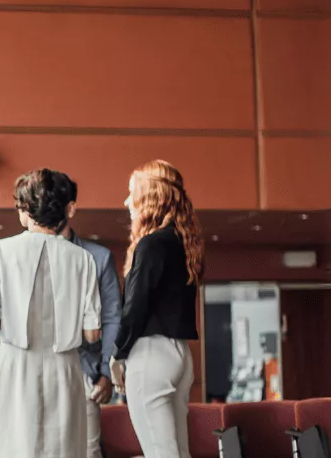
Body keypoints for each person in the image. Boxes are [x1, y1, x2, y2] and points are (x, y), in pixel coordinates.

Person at [0, 169, 102, 458]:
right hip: (64, 367)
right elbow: (92, 333)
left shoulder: (1, 251)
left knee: (14, 446)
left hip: (15, 365)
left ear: (26, 209)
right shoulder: (83, 258)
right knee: (64, 448)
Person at [110, 160, 204, 458]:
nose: (127, 202)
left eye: (131, 193)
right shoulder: (184, 244)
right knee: (177, 452)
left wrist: (118, 353)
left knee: (160, 453)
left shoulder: (150, 245)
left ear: (149, 197)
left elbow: (135, 307)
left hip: (151, 356)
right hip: (180, 355)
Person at [59, 177, 123, 458]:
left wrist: (107, 373)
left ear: (69, 208)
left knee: (88, 452)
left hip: (85, 372)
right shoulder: (20, 254)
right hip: (36, 372)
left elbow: (112, 318)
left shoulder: (98, 257)